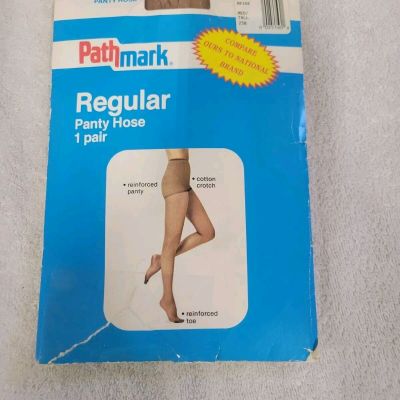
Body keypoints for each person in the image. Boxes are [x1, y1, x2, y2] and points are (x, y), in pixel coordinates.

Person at [145, 149, 215, 323]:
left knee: (207, 232)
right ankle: (167, 299)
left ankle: (160, 260)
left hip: (184, 181)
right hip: (175, 180)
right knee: (170, 242)